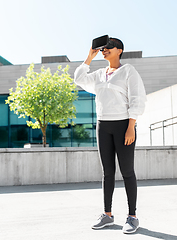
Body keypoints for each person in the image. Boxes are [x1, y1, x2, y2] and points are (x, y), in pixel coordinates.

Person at [74, 37, 146, 234]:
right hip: (103, 126)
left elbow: (137, 98)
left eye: (108, 48)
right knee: (107, 172)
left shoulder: (128, 71)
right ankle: (107, 215)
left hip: (123, 125)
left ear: (119, 50)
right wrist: (89, 57)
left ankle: (132, 217)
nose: (103, 51)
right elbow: (79, 79)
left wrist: (131, 125)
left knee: (127, 171)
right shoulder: (98, 74)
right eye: (102, 49)